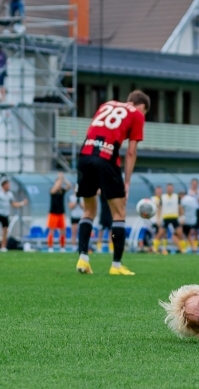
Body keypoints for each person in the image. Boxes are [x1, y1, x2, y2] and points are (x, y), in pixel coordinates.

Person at [74, 90, 150, 275]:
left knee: (88, 210)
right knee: (119, 212)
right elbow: (131, 152)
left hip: (85, 155)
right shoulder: (137, 114)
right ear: (141, 107)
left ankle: (83, 259)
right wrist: (127, 182)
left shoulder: (106, 104)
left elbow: (92, 131)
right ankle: (116, 265)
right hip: (106, 157)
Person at [156, 183, 185, 255]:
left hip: (174, 217)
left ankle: (183, 249)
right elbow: (159, 208)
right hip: (165, 217)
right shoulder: (163, 197)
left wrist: (182, 217)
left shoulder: (176, 197)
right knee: (160, 234)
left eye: (171, 188)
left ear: (173, 189)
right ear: (166, 189)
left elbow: (180, 208)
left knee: (180, 233)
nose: (170, 189)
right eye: (168, 188)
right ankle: (154, 248)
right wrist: (158, 219)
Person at [0, 176, 27, 252]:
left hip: (5, 215)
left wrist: (22, 203)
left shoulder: (10, 194)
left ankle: (3, 247)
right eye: (7, 184)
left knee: (5, 231)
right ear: (4, 185)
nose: (9, 186)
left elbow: (13, 204)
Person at [47, 172, 71, 252]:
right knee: (52, 230)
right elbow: (54, 189)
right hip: (53, 213)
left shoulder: (62, 191)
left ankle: (62, 246)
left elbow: (69, 186)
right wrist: (59, 179)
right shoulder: (52, 190)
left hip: (61, 213)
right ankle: (50, 246)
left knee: (63, 231)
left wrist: (63, 179)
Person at [187, 178, 199, 249]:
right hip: (190, 211)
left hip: (197, 211)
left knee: (197, 229)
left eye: (195, 184)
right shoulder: (188, 191)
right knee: (190, 229)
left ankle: (195, 245)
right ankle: (190, 245)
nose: (194, 185)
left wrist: (197, 195)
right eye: (193, 184)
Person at [149, 186, 163, 254]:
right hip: (154, 220)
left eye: (160, 191)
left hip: (162, 219)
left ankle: (159, 248)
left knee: (162, 234)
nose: (159, 192)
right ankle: (154, 248)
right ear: (155, 191)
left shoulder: (163, 198)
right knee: (156, 233)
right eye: (158, 191)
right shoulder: (152, 199)